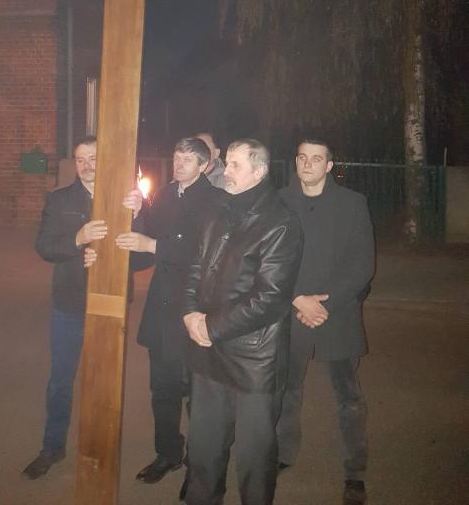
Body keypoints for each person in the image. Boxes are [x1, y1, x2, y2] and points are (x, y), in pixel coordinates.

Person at [182, 138, 303, 505]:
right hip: (208, 350)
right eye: (228, 163)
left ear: (259, 171)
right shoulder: (218, 209)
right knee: (203, 449)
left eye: (235, 165)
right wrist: (189, 311)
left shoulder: (280, 222)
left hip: (254, 358)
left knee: (254, 459)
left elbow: (270, 298)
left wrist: (210, 326)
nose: (226, 171)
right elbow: (196, 265)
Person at [22, 136, 145, 479]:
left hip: (111, 304)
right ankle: (52, 446)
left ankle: (101, 445)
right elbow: (44, 246)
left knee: (107, 380)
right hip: (70, 304)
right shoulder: (60, 199)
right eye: (80, 159)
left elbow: (142, 258)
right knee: (61, 379)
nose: (87, 165)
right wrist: (78, 240)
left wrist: (138, 215)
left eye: (93, 157)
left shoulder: (125, 198)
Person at [116, 137, 222, 485]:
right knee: (162, 389)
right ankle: (168, 453)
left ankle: (199, 463)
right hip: (162, 308)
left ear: (204, 165)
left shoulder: (214, 200)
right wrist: (137, 216)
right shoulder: (162, 194)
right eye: (177, 156)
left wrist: (153, 244)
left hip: (193, 308)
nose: (179, 164)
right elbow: (145, 251)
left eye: (189, 159)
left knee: (196, 393)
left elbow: (205, 254)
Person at [276, 139, 375, 505]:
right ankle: (283, 453)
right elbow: (269, 258)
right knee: (286, 391)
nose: (308, 164)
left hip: (337, 314)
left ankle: (354, 473)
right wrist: (296, 298)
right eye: (302, 157)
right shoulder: (279, 202)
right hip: (291, 311)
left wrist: (323, 304)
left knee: (348, 398)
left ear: (329, 166)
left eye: (316, 159)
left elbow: (362, 264)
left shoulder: (352, 203)